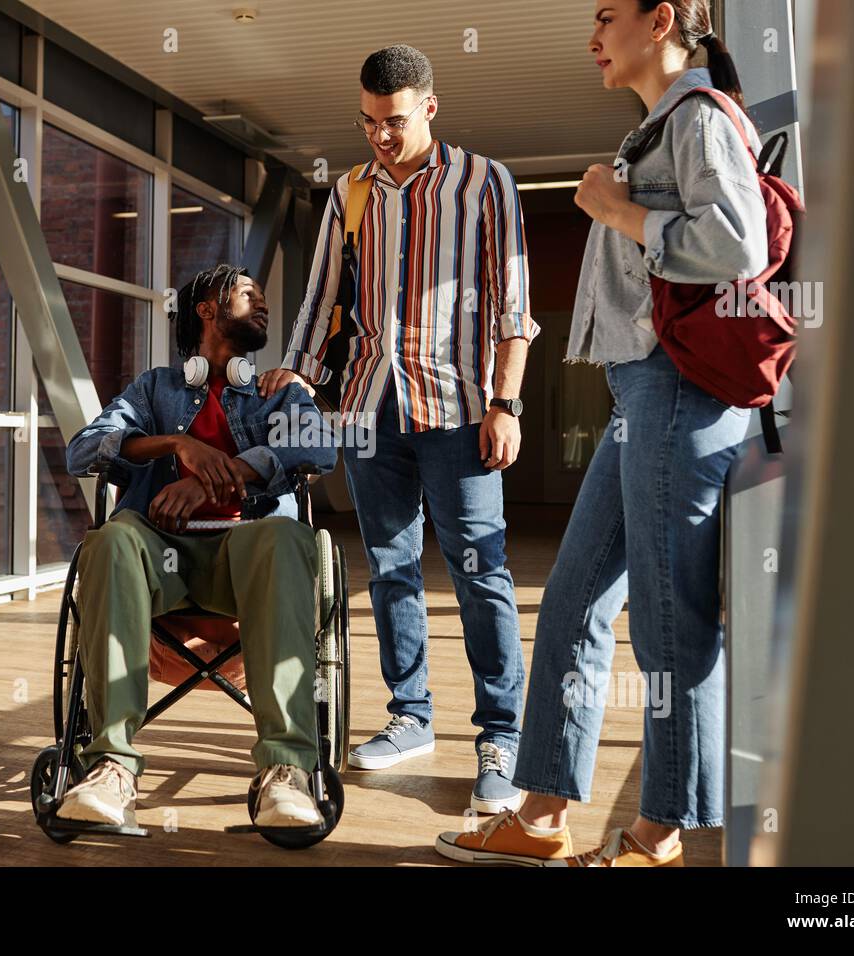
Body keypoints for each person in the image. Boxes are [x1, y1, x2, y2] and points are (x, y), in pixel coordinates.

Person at [438, 0, 767, 866]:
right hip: (642, 401)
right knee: (576, 602)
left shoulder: (697, 119)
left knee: (669, 625)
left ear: (661, 21)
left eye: (607, 16)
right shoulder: (660, 128)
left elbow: (738, 242)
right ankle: (542, 813)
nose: (592, 37)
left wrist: (620, 213)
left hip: (681, 394)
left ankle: (659, 832)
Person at [262, 44, 537, 814]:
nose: (380, 136)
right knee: (390, 568)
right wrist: (299, 374)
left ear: (429, 108)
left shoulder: (484, 182)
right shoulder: (350, 191)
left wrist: (505, 403)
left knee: (481, 571)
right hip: (369, 406)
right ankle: (410, 716)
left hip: (459, 408)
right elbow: (322, 298)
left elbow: (512, 303)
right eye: (369, 122)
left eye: (394, 121)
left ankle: (502, 737)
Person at [60, 266, 337, 831]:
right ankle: (111, 766)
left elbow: (319, 448)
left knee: (286, 535)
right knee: (111, 538)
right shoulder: (156, 388)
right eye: (245, 293)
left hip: (246, 561)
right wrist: (176, 445)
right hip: (162, 562)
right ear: (207, 310)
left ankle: (286, 771)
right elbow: (83, 450)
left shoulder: (276, 391)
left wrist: (226, 471)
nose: (261, 300)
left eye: (262, 294)